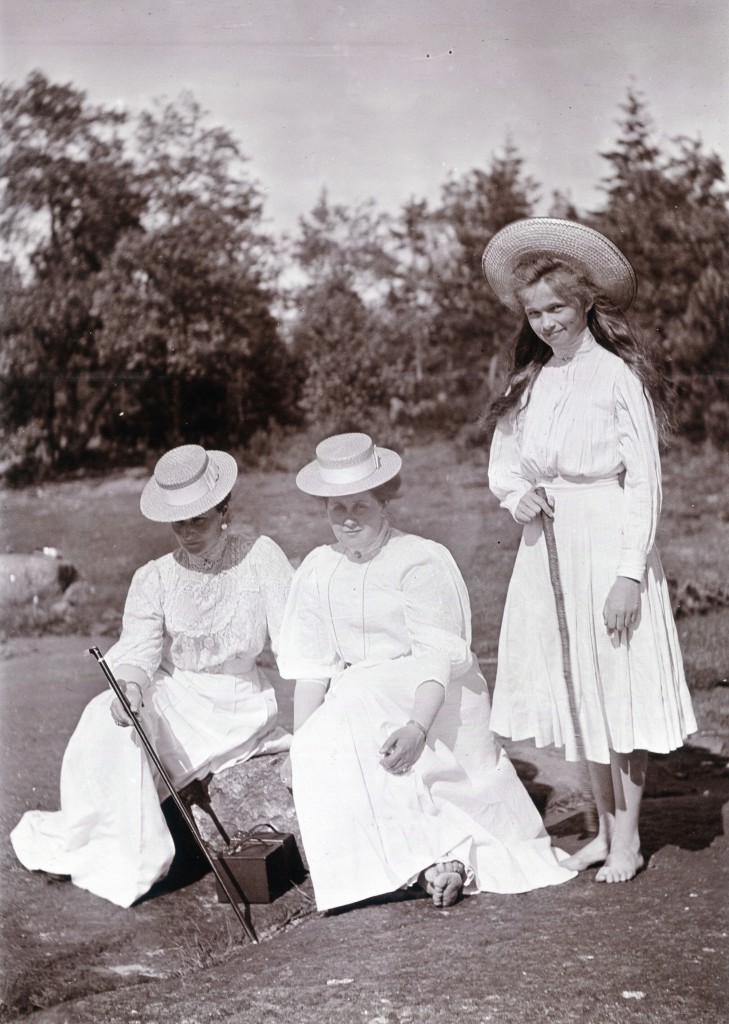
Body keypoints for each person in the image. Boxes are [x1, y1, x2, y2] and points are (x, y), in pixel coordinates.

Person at [276, 432, 576, 913]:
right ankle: (428, 865)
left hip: (437, 700)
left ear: (384, 500)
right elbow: (312, 671)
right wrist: (302, 746)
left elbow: (437, 658)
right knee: (322, 738)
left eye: (360, 505)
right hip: (364, 700)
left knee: (358, 693)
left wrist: (417, 728)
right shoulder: (317, 568)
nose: (349, 519)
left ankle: (447, 854)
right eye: (337, 509)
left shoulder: (419, 559)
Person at [482, 217, 697, 884]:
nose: (547, 323)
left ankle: (628, 836)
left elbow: (645, 483)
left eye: (557, 308)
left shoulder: (614, 377)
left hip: (607, 538)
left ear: (584, 304)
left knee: (618, 686)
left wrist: (628, 575)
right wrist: (516, 496)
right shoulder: (533, 382)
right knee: (575, 686)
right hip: (547, 545)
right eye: (535, 312)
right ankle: (604, 830)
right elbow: (506, 463)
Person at [11, 445, 293, 907]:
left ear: (224, 509)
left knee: (141, 737)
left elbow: (292, 642)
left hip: (234, 702)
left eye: (197, 520)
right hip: (172, 686)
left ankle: (142, 856)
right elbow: (139, 649)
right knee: (106, 720)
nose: (187, 533)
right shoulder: (156, 577)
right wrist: (132, 690)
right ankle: (111, 848)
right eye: (178, 523)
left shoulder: (261, 558)